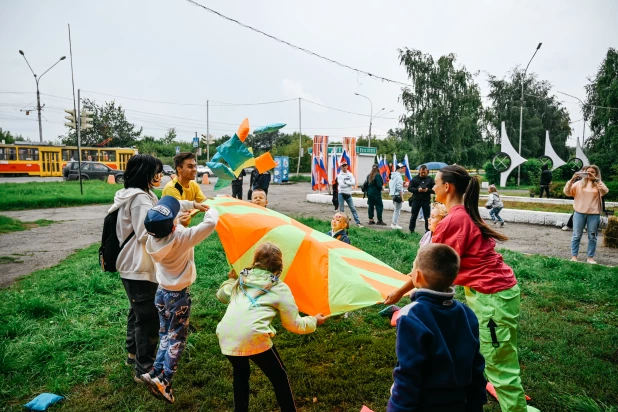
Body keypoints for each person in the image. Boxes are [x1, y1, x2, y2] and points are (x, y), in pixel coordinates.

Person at [385, 165, 538, 412]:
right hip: (493, 294)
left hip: (493, 296)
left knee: (499, 364)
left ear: (447, 187)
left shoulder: (454, 220)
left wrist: (400, 292)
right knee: (496, 355)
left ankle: (516, 408)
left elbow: (433, 269)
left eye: (436, 182)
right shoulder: (461, 215)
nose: (433, 187)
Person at [215, 243, 326, 412]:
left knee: (240, 372)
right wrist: (314, 321)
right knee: (279, 376)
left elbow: (223, 296)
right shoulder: (279, 288)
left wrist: (230, 279)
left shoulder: (242, 278)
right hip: (253, 336)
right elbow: (293, 324)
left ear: (256, 260)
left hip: (226, 334)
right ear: (279, 266)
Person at [387, 244, 486, 412]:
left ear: (416, 276)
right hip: (458, 404)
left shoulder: (410, 316)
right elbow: (476, 367)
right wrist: (476, 404)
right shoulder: (467, 313)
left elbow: (408, 375)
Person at [106, 155, 178, 382]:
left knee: (137, 312)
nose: (160, 176)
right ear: (145, 173)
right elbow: (146, 234)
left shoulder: (142, 195)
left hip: (134, 266)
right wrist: (175, 228)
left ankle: (133, 354)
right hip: (137, 266)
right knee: (147, 318)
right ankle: (144, 369)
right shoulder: (139, 200)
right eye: (156, 172)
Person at [139, 196, 218, 403]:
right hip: (178, 297)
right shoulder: (182, 238)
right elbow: (210, 224)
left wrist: (193, 205)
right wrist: (213, 207)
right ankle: (165, 380)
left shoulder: (152, 239)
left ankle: (154, 371)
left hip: (161, 293)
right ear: (173, 227)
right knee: (177, 339)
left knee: (165, 333)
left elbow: (169, 210)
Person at [563, 165, 609, 264]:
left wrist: (597, 180)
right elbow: (567, 192)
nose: (590, 174)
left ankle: (590, 257)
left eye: (593, 172)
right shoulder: (578, 184)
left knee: (592, 236)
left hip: (594, 215)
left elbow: (605, 191)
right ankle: (574, 256)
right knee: (576, 236)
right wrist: (572, 180)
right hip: (579, 213)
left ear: (596, 173)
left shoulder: (598, 185)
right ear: (584, 172)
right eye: (588, 172)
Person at [162, 152, 206, 226]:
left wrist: (222, 200)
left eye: (195, 166)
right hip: (170, 230)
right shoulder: (172, 188)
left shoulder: (193, 184)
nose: (194, 169)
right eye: (190, 166)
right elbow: (181, 214)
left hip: (180, 229)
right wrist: (195, 206)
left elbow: (204, 202)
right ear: (179, 169)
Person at [408, 165, 435, 233]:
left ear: (427, 172)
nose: (423, 174)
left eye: (424, 172)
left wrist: (428, 190)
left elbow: (435, 189)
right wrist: (417, 190)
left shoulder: (430, 179)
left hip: (426, 201)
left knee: (427, 217)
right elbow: (409, 188)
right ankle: (411, 230)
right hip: (416, 200)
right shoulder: (414, 179)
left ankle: (428, 231)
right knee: (414, 216)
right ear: (419, 171)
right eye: (421, 172)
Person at [336, 161, 362, 227]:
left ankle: (358, 222)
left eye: (345, 166)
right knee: (341, 210)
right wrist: (349, 183)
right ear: (341, 167)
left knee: (353, 209)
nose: (344, 167)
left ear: (347, 166)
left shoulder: (350, 174)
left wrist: (346, 182)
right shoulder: (339, 175)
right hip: (341, 194)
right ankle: (341, 223)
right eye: (343, 166)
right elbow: (341, 185)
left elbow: (353, 183)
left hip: (348, 194)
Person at [389, 163, 405, 230]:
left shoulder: (393, 176)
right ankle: (394, 224)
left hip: (393, 194)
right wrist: (402, 197)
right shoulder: (398, 176)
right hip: (397, 195)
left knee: (396, 210)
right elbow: (399, 188)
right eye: (402, 168)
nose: (403, 169)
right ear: (399, 168)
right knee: (397, 210)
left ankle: (394, 223)